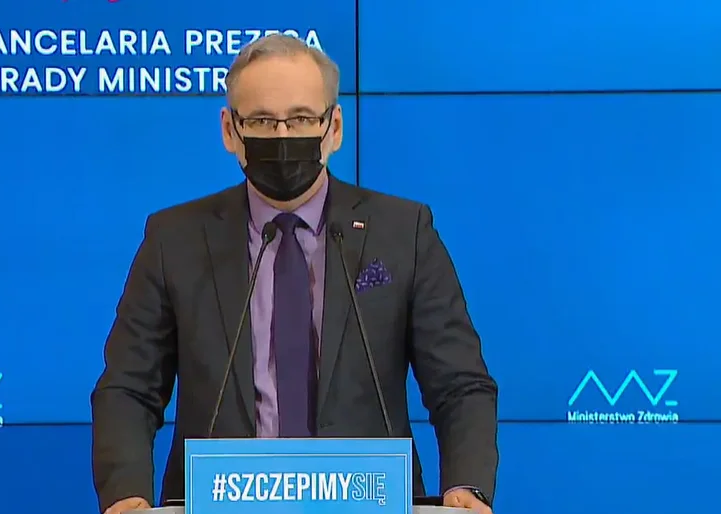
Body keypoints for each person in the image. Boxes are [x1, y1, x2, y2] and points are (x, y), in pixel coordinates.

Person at [92, 34, 498, 514]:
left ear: (334, 127)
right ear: (229, 130)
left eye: (302, 118)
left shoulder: (403, 232)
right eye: (262, 120)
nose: (283, 137)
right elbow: (130, 387)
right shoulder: (174, 239)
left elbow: (459, 384)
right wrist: (127, 495)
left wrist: (467, 485)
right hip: (222, 504)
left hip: (368, 503)